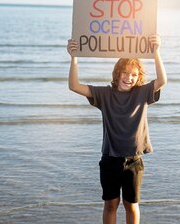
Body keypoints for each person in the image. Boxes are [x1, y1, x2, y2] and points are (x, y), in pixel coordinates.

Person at [67, 34, 167, 224]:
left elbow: (162, 80)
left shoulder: (142, 93)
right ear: (117, 73)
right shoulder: (104, 94)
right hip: (110, 160)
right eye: (125, 73)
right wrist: (74, 57)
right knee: (111, 205)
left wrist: (156, 51)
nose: (129, 78)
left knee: (131, 205)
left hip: (133, 161)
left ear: (138, 78)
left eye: (134, 75)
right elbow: (74, 86)